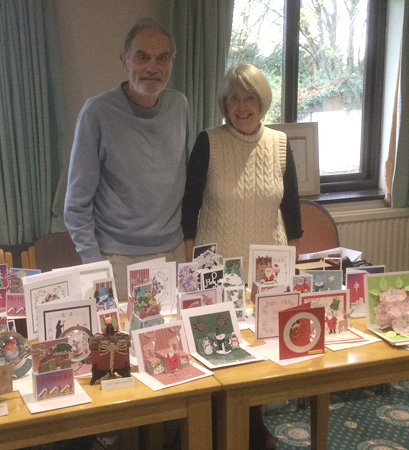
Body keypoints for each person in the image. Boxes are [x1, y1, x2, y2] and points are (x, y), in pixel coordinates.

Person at [181, 64, 303, 450]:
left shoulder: (280, 144)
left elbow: (293, 213)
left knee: (261, 354)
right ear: (224, 103)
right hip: (218, 268)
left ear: (262, 100)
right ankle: (219, 430)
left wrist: (290, 270)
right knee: (218, 350)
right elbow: (189, 211)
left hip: (268, 269)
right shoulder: (208, 141)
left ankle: (254, 428)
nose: (241, 105)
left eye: (249, 96)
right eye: (233, 97)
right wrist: (192, 269)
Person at [64, 18, 189, 300]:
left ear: (172, 62)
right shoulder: (97, 113)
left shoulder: (179, 106)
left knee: (174, 343)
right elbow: (76, 205)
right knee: (121, 344)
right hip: (116, 260)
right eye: (142, 57)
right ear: (125, 60)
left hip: (173, 254)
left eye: (162, 58)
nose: (152, 68)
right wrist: (94, 266)